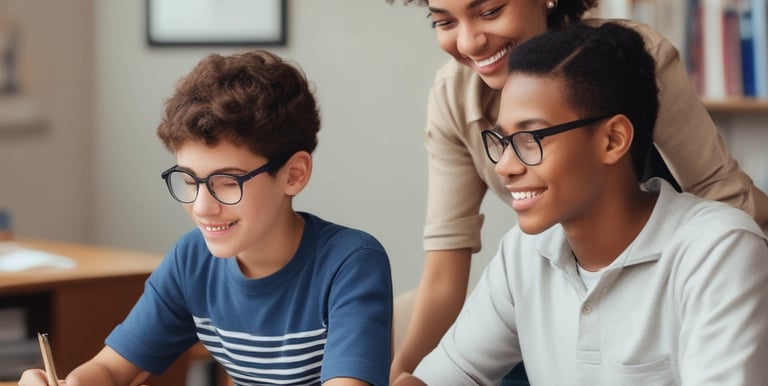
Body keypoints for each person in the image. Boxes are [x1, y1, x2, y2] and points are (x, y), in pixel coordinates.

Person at [386, 0, 768, 383]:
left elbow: (725, 198)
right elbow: (447, 308)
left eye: (489, 11)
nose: (469, 42)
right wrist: (402, 373)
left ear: (613, 139)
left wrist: (732, 265)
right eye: (444, 21)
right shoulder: (522, 254)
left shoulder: (635, 58)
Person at [19, 50, 393, 386]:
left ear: (293, 175)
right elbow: (113, 369)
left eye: (227, 182)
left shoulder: (350, 263)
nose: (201, 207)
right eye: (188, 180)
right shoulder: (191, 260)